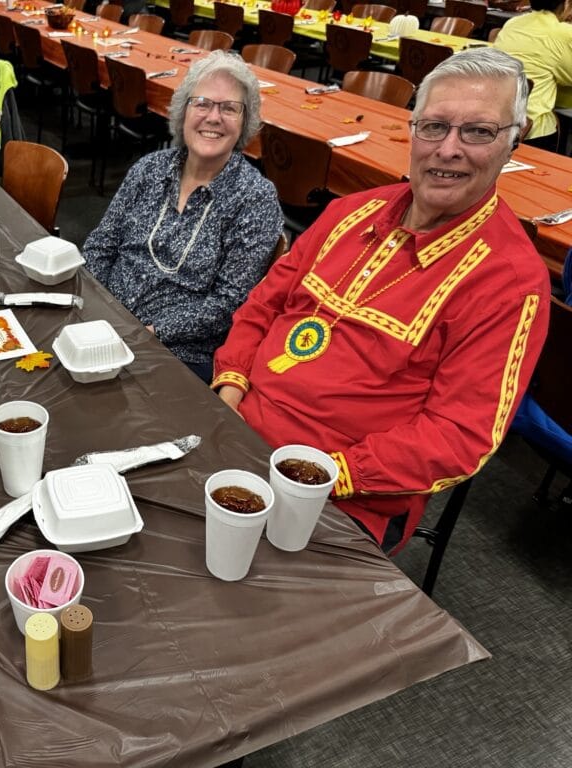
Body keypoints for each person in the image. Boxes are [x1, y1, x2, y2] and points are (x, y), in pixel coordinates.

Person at [211, 48, 551, 553]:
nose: (449, 149)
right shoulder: (350, 212)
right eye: (434, 126)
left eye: (478, 131)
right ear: (412, 132)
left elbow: (458, 437)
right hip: (235, 431)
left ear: (512, 144)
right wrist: (229, 393)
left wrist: (319, 473)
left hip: (343, 494)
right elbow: (263, 305)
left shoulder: (509, 280)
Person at [82, 51, 283, 382]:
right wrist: (95, 307)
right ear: (183, 111)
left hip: (176, 353)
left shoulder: (255, 199)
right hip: (103, 322)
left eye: (229, 108)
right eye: (202, 103)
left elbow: (227, 304)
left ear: (244, 122)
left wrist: (148, 331)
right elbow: (102, 244)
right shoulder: (150, 168)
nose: (213, 117)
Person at [493, 0, 572, 152]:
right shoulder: (562, 33)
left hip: (496, 120)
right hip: (532, 131)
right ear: (567, 3)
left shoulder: (513, 23)